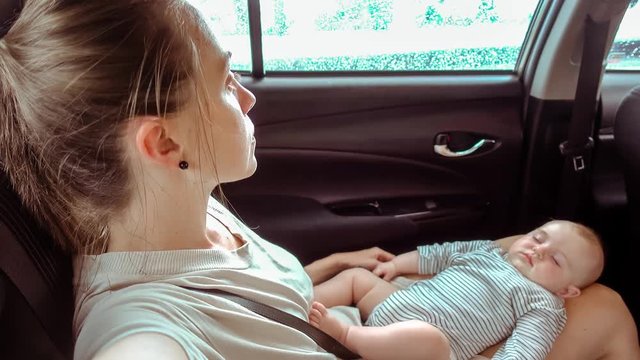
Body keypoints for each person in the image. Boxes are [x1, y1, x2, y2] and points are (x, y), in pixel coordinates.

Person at [0, 1, 638, 360]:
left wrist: (337, 260)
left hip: (370, 336)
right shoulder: (142, 330)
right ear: (163, 143)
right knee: (604, 311)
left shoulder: (190, 213)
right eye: (224, 82)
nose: (248, 98)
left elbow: (265, 298)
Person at [310, 220, 606, 360]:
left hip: (427, 340)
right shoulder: (490, 251)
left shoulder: (542, 302)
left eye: (555, 259)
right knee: (357, 277)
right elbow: (443, 254)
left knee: (429, 339)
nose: (538, 251)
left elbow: (528, 347)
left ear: (567, 291)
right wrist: (398, 265)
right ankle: (299, 300)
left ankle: (346, 336)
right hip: (399, 302)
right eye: (537, 238)